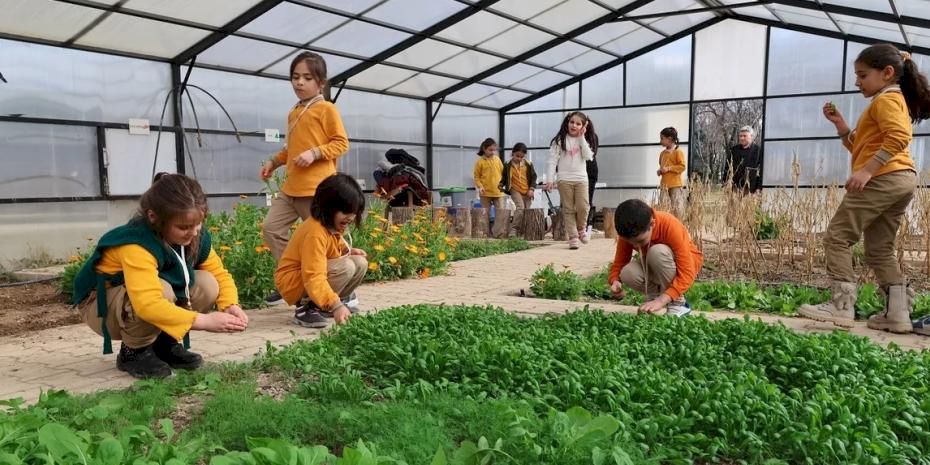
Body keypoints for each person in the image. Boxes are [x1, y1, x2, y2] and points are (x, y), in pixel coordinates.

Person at [799, 44, 930, 334]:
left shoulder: (886, 100)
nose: (857, 81)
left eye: (862, 75)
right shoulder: (891, 100)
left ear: (887, 73)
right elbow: (863, 145)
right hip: (901, 178)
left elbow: (899, 136)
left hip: (884, 177)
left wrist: (868, 171)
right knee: (879, 249)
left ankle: (841, 307)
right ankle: (897, 314)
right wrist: (842, 126)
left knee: (837, 236)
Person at [72, 173, 248, 379]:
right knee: (161, 290)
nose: (193, 232)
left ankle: (164, 344)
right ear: (154, 218)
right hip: (100, 307)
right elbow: (147, 303)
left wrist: (230, 305)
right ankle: (133, 352)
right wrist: (205, 321)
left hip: (135, 299)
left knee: (207, 283)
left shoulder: (194, 236)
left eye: (198, 224)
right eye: (183, 227)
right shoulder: (136, 243)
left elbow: (219, 273)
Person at [259, 51, 349, 306]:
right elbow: (293, 149)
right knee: (271, 228)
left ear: (320, 83)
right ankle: (292, 280)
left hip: (317, 190)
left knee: (325, 243)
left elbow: (341, 143)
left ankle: (336, 291)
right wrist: (274, 162)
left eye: (307, 77)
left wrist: (316, 153)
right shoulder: (295, 111)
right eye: (295, 77)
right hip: (291, 188)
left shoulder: (326, 109)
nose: (299, 82)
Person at [274, 173, 368, 328]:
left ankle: (328, 304)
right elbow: (313, 275)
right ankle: (306, 307)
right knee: (347, 267)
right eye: (345, 212)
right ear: (328, 207)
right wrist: (335, 305)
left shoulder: (332, 226)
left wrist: (348, 252)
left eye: (354, 212)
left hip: (309, 277)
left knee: (359, 262)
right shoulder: (315, 232)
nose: (351, 217)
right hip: (294, 283)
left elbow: (331, 252)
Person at [608, 199, 702, 317]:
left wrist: (662, 300)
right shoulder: (629, 232)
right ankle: (653, 299)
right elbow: (620, 262)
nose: (636, 246)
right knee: (627, 272)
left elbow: (687, 271)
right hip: (655, 265)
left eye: (640, 241)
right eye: (631, 243)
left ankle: (678, 304)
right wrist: (615, 281)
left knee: (657, 252)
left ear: (652, 224)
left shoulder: (669, 224)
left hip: (684, 267)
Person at [545, 111, 597, 249]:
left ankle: (581, 229)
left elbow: (588, 157)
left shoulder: (584, 140)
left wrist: (581, 138)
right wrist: (550, 179)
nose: (574, 125)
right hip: (564, 180)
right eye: (572, 122)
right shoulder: (559, 140)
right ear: (567, 122)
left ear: (583, 126)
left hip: (581, 179)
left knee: (583, 206)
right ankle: (573, 236)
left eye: (578, 123)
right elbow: (552, 161)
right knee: (568, 209)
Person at [657, 127, 687, 218]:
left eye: (662, 138)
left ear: (669, 139)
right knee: (663, 207)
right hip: (664, 185)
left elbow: (682, 166)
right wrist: (660, 171)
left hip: (675, 185)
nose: (660, 141)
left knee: (677, 208)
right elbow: (662, 167)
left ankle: (678, 225)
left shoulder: (678, 152)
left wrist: (669, 168)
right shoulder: (662, 154)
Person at [501, 142, 537, 210]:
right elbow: (504, 176)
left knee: (527, 209)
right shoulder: (507, 164)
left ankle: (525, 221)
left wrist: (531, 189)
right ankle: (517, 221)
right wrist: (501, 185)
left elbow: (534, 177)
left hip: (527, 190)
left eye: (522, 157)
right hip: (515, 189)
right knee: (520, 207)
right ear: (512, 153)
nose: (519, 159)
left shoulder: (528, 164)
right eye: (517, 156)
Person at [474, 137, 506, 212]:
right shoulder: (480, 162)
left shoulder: (497, 160)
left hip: (498, 192)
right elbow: (477, 177)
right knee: (485, 214)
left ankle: (500, 224)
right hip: (485, 193)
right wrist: (480, 186)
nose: (493, 152)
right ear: (484, 149)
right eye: (490, 150)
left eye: (494, 150)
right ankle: (484, 224)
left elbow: (504, 173)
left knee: (500, 213)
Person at [727, 126, 762, 194]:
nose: (742, 138)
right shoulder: (734, 150)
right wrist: (725, 184)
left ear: (751, 137)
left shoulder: (758, 151)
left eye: (745, 136)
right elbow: (727, 168)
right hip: (734, 189)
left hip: (752, 190)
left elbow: (762, 171)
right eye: (740, 136)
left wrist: (759, 188)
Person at [584, 129, 600, 233]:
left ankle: (585, 226)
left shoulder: (591, 137)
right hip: (582, 171)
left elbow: (591, 154)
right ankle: (584, 226)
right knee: (586, 200)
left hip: (589, 171)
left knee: (586, 200)